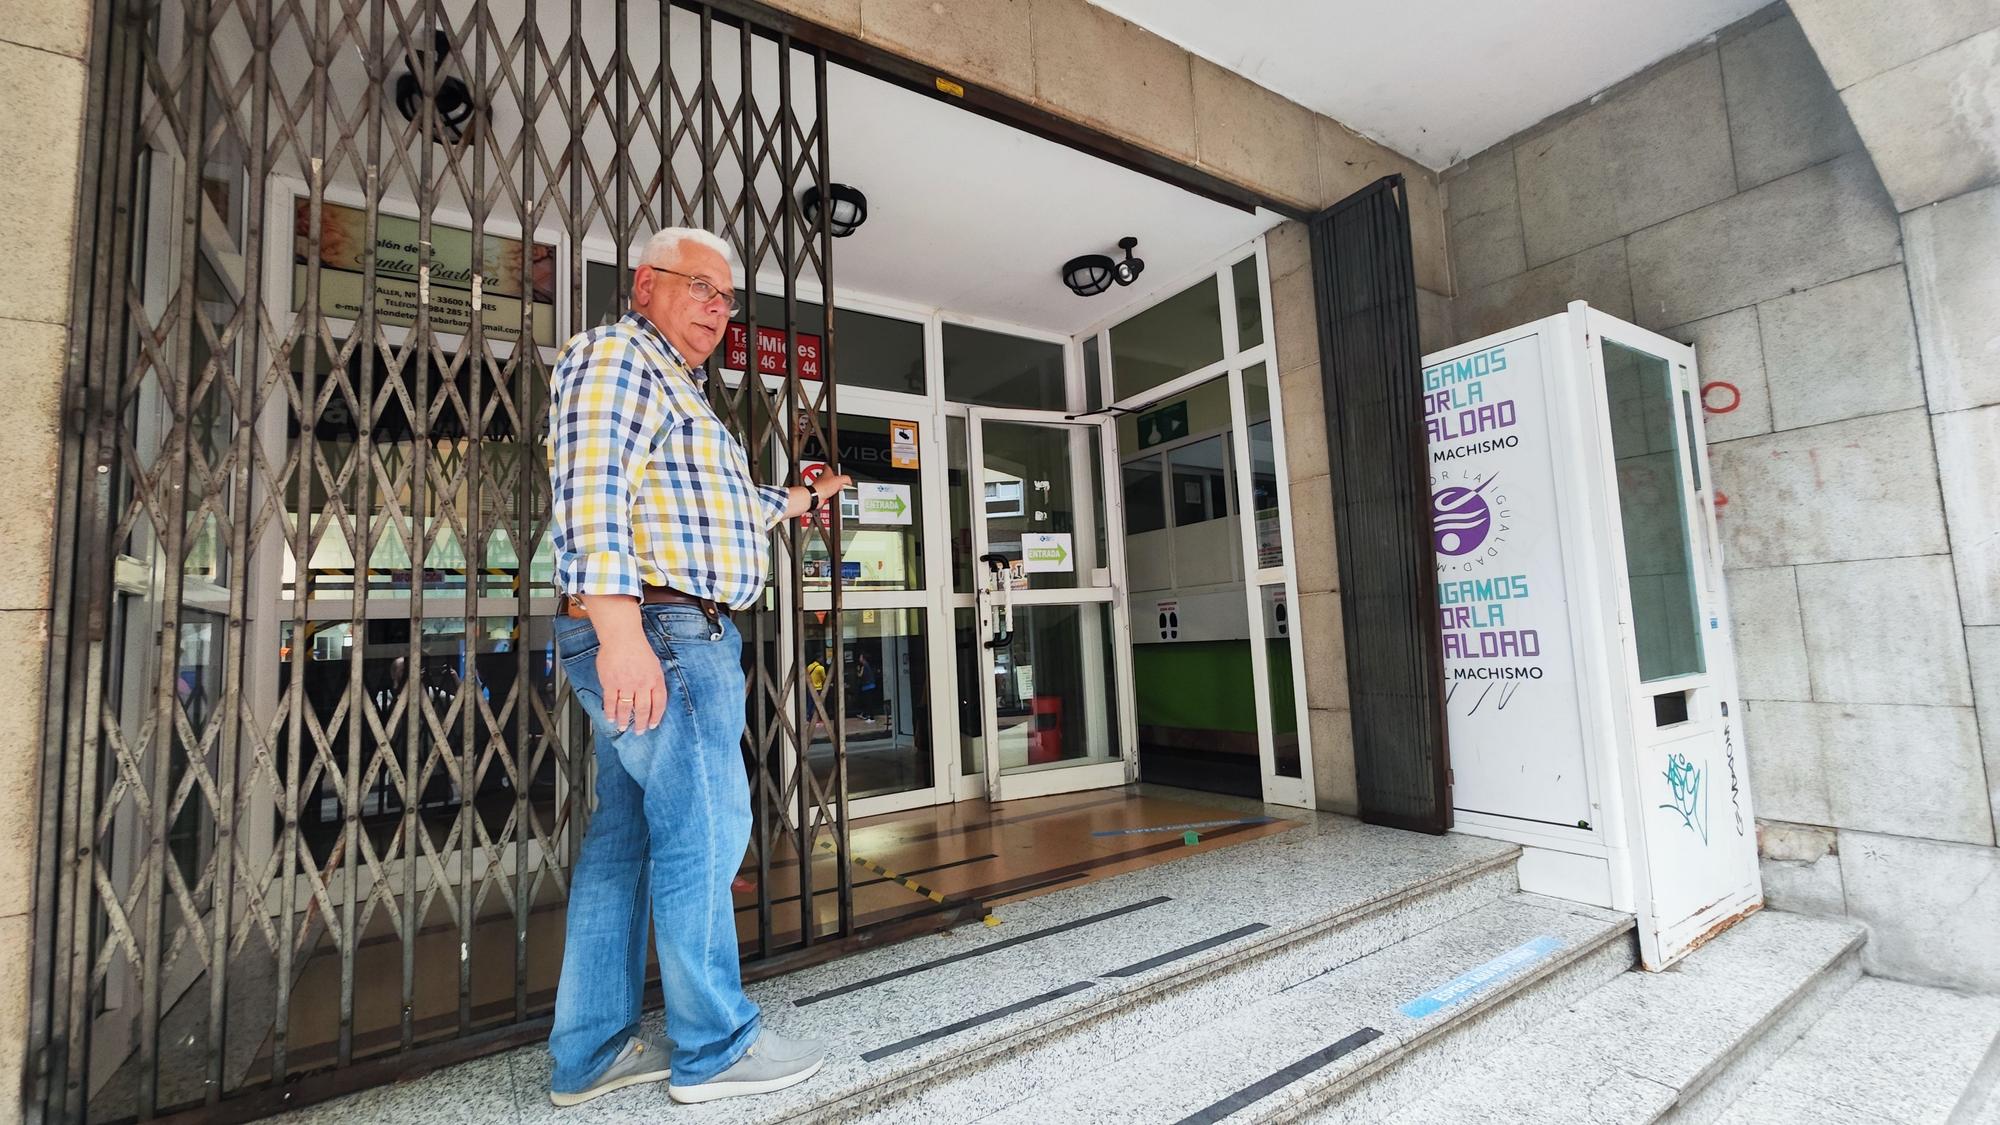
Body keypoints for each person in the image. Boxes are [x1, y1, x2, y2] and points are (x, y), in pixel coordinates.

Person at [544, 226, 851, 1107]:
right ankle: (714, 1046)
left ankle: (590, 1051)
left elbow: (723, 502)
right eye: (700, 287)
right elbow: (589, 489)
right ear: (644, 284)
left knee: (628, 835)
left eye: (727, 297)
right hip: (661, 627)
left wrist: (799, 497)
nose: (718, 308)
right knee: (709, 825)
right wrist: (620, 629)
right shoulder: (616, 356)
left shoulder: (678, 386)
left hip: (661, 623)